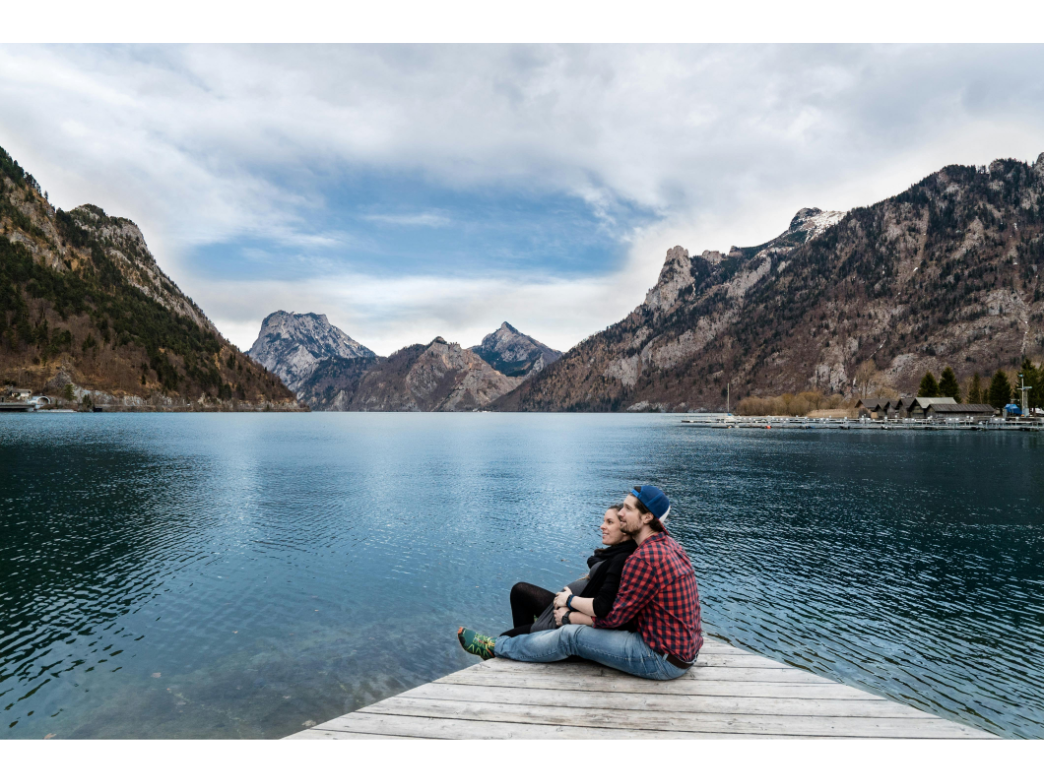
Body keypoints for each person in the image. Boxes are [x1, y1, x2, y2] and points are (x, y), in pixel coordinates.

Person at [457, 485, 702, 681]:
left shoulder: (644, 558)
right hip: (681, 652)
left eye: (627, 509)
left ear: (647, 516)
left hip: (659, 660)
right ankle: (516, 646)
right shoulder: (669, 545)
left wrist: (569, 615)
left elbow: (612, 618)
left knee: (571, 637)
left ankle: (495, 648)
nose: (620, 514)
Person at [497, 504, 637, 638]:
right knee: (519, 591)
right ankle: (528, 644)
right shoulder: (615, 554)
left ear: (625, 528)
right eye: (604, 521)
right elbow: (596, 561)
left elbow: (603, 606)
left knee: (507, 638)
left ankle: (527, 642)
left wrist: (569, 602)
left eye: (609, 522)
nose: (602, 526)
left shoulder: (621, 560)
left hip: (568, 617)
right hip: (567, 608)